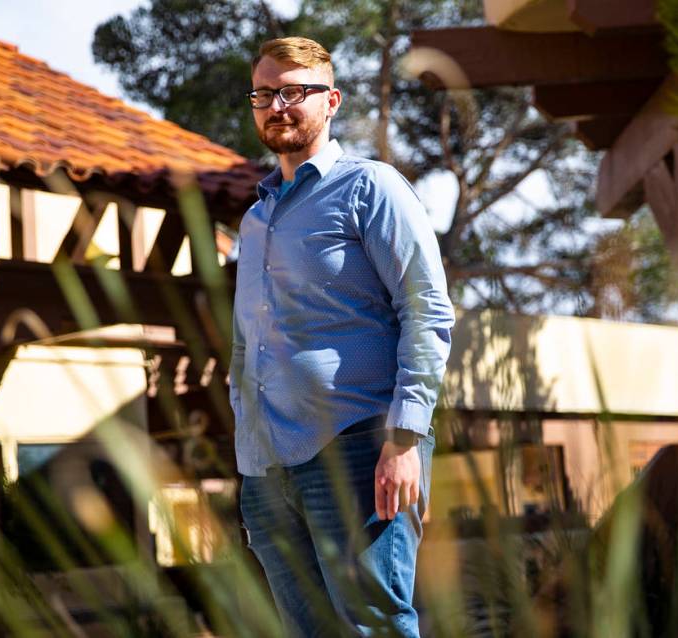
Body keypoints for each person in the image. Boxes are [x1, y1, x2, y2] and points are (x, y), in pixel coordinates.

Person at [229, 36, 455, 637]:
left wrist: (404, 438)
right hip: (267, 470)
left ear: (330, 101)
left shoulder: (370, 188)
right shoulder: (255, 221)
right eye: (263, 94)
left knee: (372, 627)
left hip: (358, 452)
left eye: (292, 92)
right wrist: (248, 457)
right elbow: (244, 345)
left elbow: (427, 314)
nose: (276, 105)